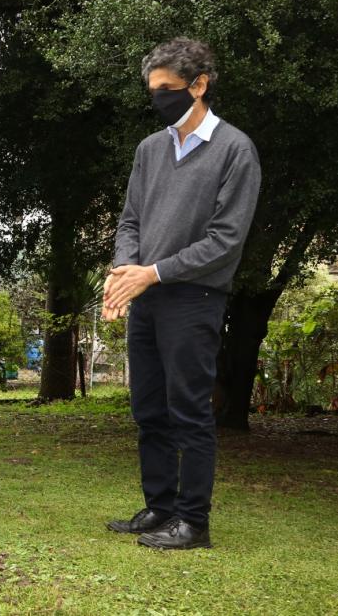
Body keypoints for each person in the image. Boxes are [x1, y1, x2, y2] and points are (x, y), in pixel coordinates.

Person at [102, 38, 261, 549]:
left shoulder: (235, 150)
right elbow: (130, 222)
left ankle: (193, 522)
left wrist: (153, 273)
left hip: (195, 301)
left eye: (168, 90)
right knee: (148, 408)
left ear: (199, 84)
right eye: (153, 91)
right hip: (146, 299)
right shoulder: (150, 150)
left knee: (188, 411)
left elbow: (225, 241)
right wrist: (126, 269)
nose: (159, 99)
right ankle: (160, 508)